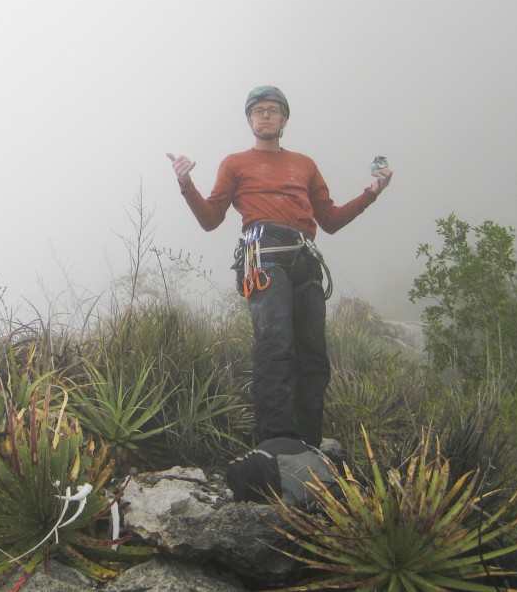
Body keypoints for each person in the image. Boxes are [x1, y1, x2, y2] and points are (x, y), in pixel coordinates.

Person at [166, 86, 392, 447]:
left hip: (305, 259)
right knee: (275, 345)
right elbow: (211, 219)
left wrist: (371, 194)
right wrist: (185, 184)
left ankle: (309, 445)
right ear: (249, 120)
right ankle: (276, 444)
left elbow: (329, 220)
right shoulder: (235, 163)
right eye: (258, 111)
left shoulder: (304, 164)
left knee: (314, 354)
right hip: (265, 255)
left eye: (272, 110)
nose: (265, 115)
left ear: (285, 119)